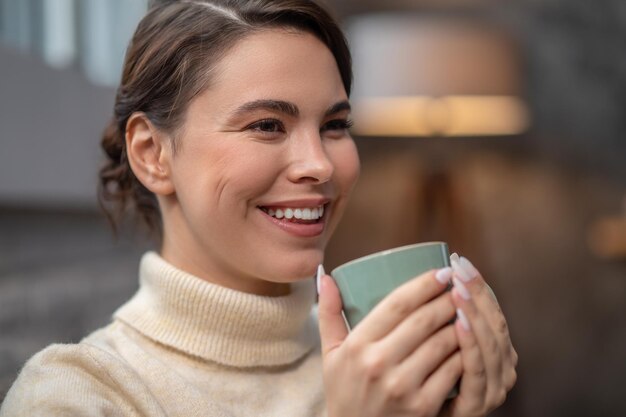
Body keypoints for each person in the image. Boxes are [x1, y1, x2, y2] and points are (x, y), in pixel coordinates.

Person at [0, 0, 517, 416]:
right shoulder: (77, 397)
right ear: (151, 154)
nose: (320, 165)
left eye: (335, 126)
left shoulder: (385, 361)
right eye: (267, 124)